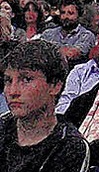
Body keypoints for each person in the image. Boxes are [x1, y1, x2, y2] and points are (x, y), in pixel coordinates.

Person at [0, 41, 89, 172]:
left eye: (26, 79)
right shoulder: (2, 126)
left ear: (54, 86)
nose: (13, 91)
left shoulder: (69, 146)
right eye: (8, 81)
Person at [41, 0, 96, 66]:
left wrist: (50, 50)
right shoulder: (48, 33)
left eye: (70, 13)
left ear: (79, 15)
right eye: (63, 13)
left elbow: (71, 54)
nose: (65, 16)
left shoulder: (86, 35)